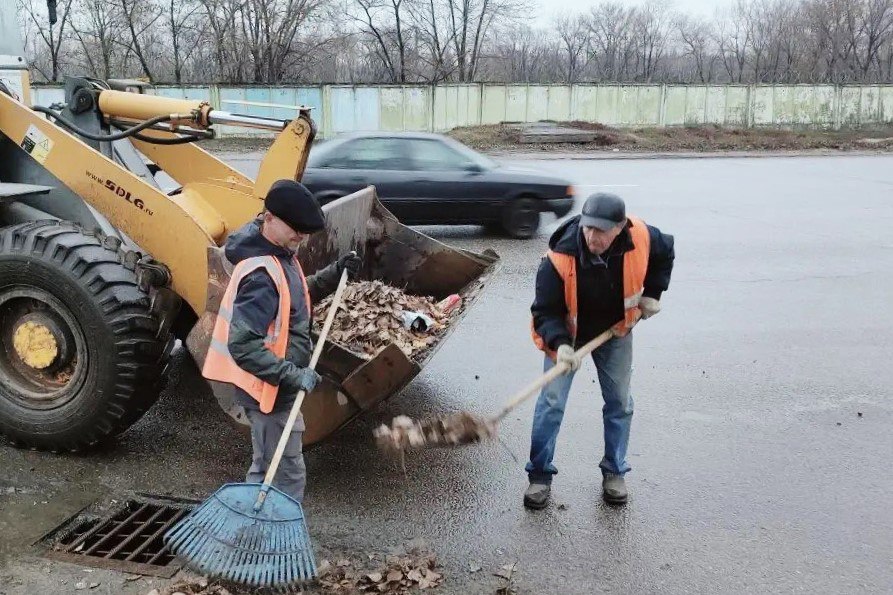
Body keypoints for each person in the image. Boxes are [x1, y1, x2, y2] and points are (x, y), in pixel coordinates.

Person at [203, 179, 361, 502]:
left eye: (305, 230)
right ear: (270, 217)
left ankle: (259, 530)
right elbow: (243, 347)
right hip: (268, 391)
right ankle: (267, 538)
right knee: (282, 471)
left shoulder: (279, 254)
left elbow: (296, 298)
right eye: (296, 229)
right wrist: (294, 375)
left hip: (277, 387)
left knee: (271, 464)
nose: (301, 237)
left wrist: (335, 273)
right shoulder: (261, 276)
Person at [525, 192, 674, 508]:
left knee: (619, 402)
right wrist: (562, 345)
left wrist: (653, 293)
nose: (592, 236)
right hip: (568, 337)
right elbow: (544, 311)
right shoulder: (558, 259)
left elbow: (665, 252)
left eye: (602, 231)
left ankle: (614, 472)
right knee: (551, 403)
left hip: (615, 332)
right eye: (588, 228)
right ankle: (539, 476)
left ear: (620, 227)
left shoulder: (643, 237)